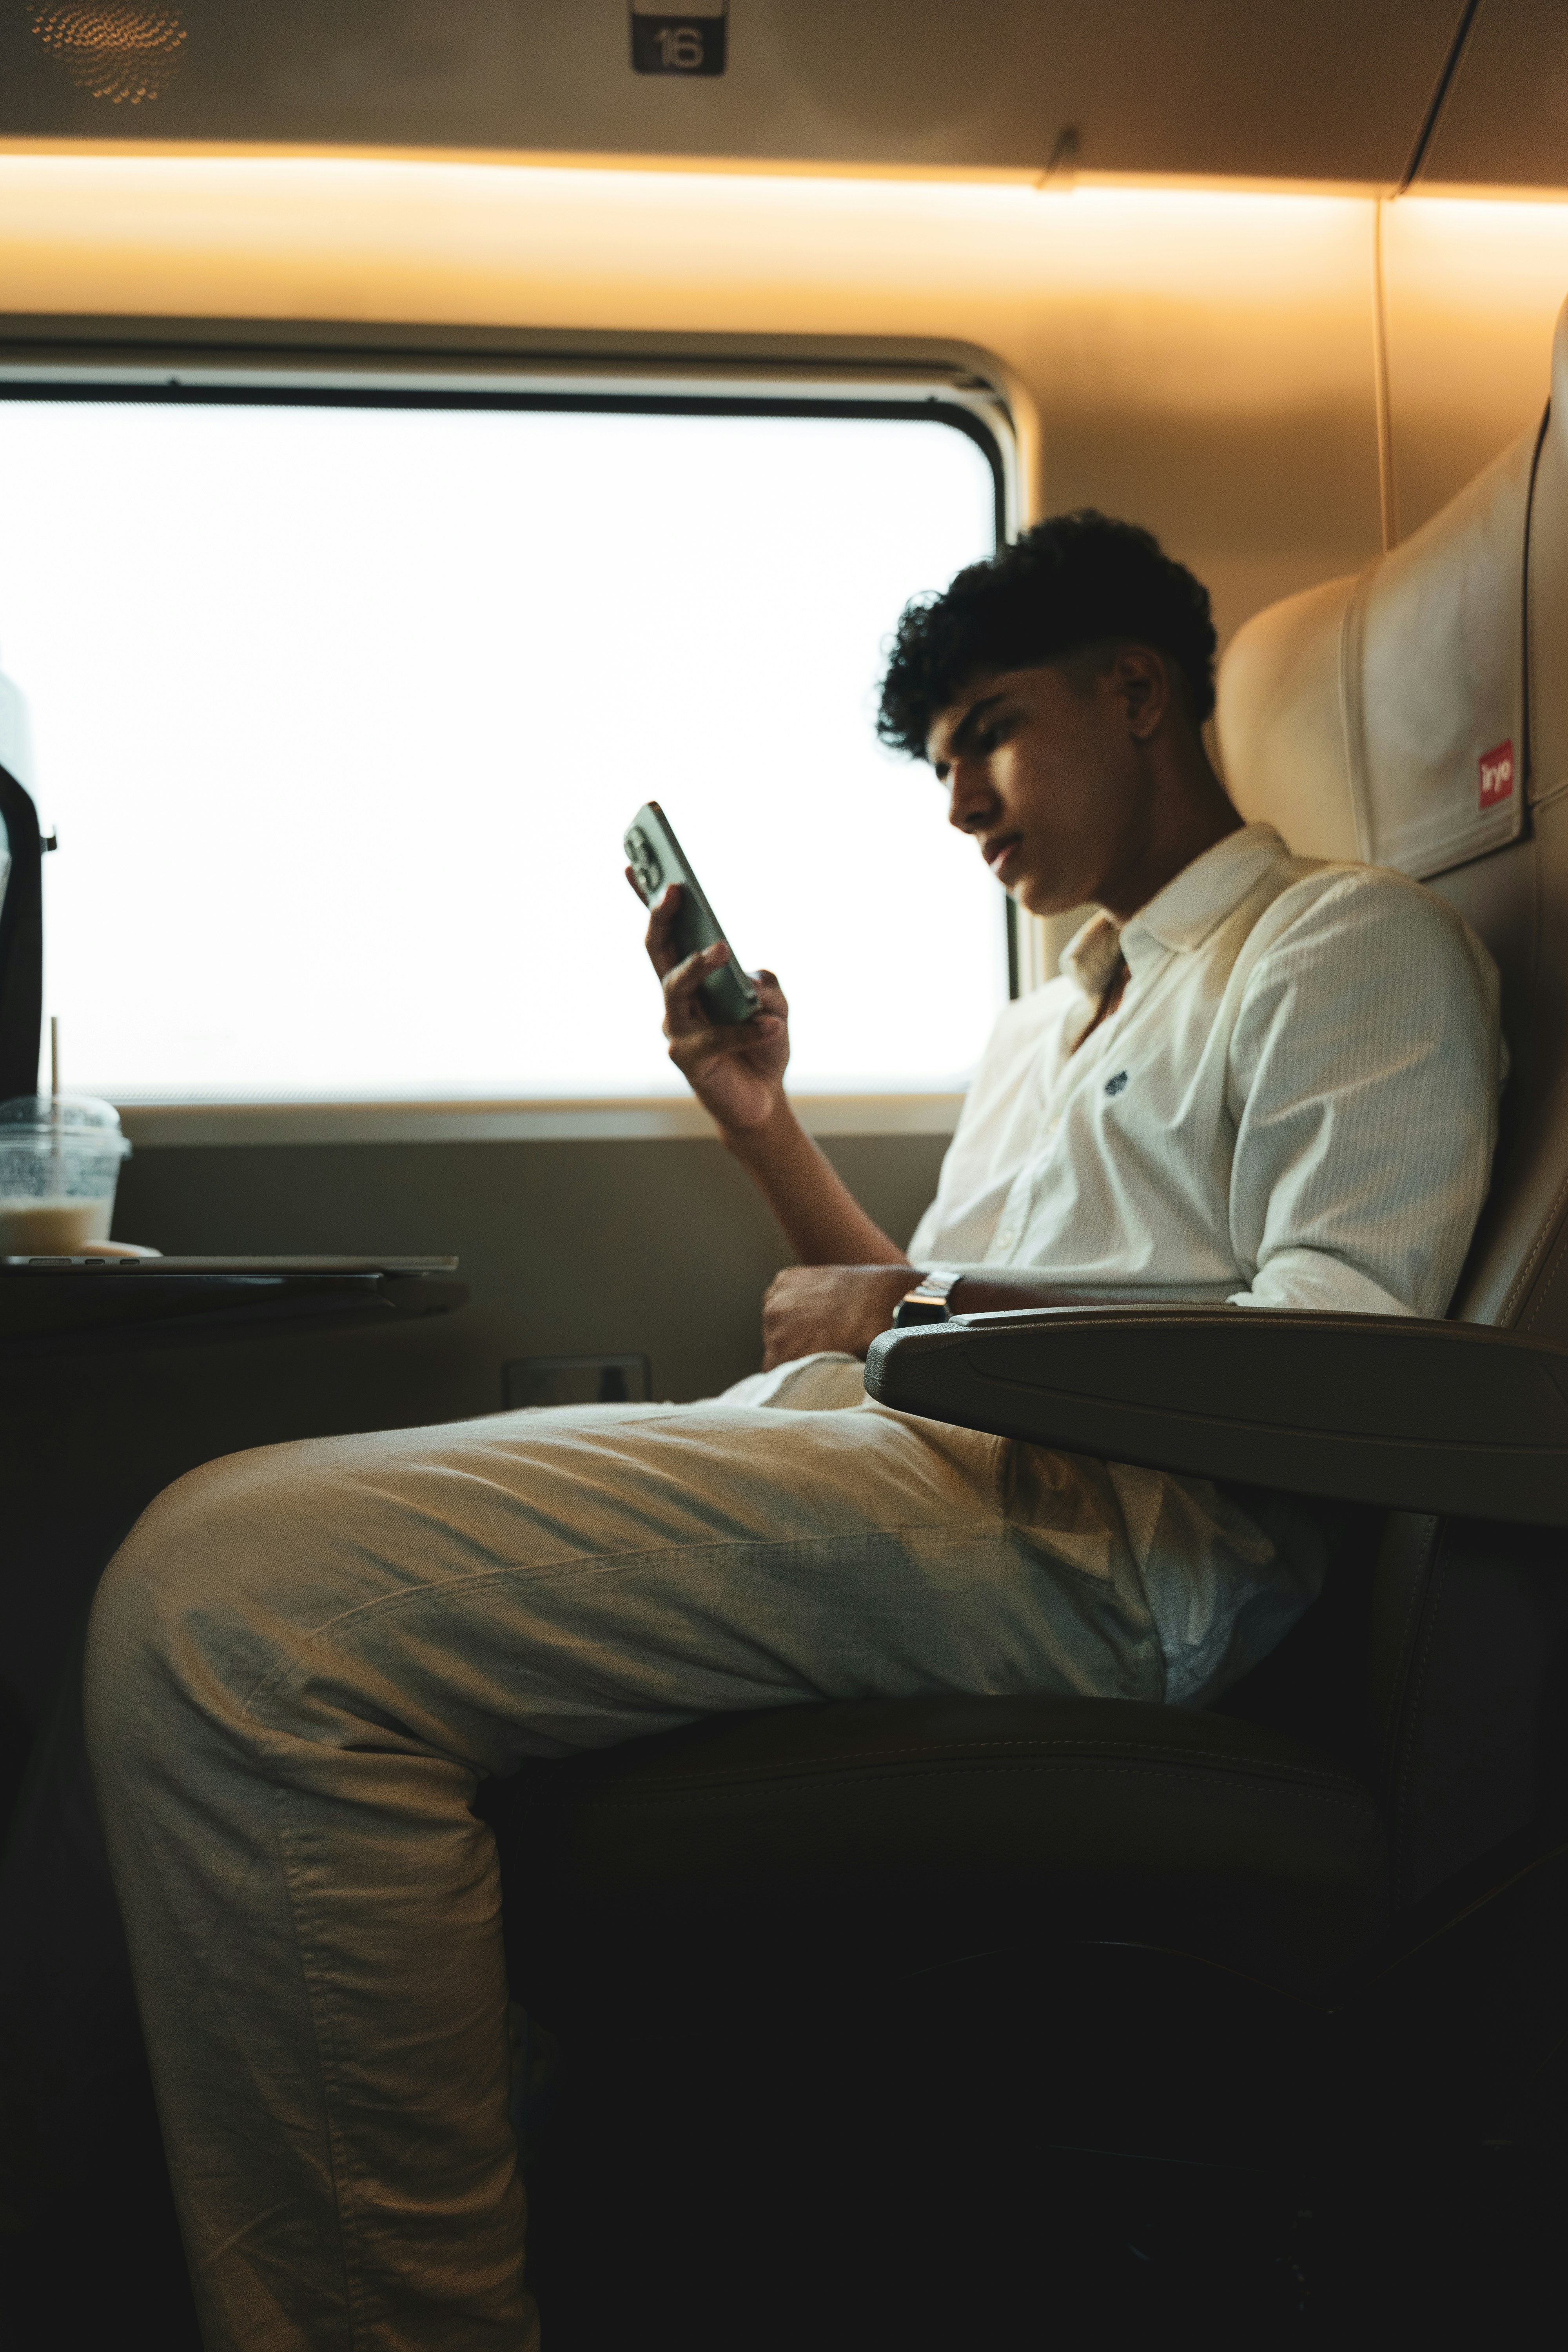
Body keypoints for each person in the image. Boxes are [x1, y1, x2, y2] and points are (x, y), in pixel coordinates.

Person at [82, 512, 1502, 2351]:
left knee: (236, 1614)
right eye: (941, 766)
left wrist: (918, 1308)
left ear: (1136, 692)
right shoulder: (1050, 1017)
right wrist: (761, 1124)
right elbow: (925, 1322)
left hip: (1109, 1553)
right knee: (219, 1540)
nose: (961, 806)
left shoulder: (1340, 947)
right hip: (919, 1470)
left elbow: (1344, 1367)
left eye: (989, 735)